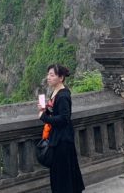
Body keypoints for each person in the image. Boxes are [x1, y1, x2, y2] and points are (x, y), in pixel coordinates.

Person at [38, 64, 84, 193]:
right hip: (58, 137)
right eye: (48, 74)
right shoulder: (56, 92)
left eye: (52, 75)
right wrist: (46, 110)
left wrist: (44, 117)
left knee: (62, 172)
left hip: (63, 139)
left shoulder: (63, 96)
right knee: (62, 171)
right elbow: (56, 112)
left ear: (61, 78)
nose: (48, 77)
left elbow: (64, 119)